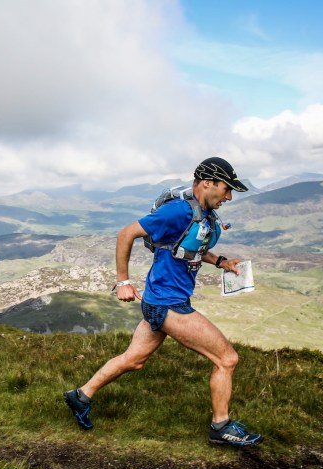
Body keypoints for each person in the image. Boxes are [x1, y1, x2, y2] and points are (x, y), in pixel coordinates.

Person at [63, 157, 262, 446]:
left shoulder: (203, 213)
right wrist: (123, 281)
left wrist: (220, 261)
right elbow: (126, 233)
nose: (229, 196)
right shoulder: (177, 211)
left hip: (160, 300)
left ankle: (81, 396)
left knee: (133, 360)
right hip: (168, 304)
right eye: (226, 189)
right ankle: (221, 427)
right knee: (227, 359)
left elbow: (190, 247)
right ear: (208, 183)